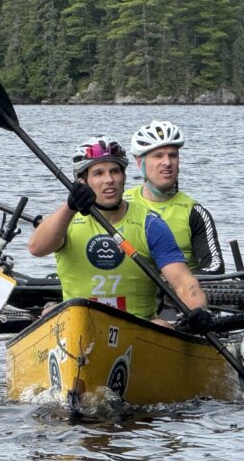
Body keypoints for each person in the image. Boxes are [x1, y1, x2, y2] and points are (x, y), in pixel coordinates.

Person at [28, 136, 212, 334]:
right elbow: (37, 248)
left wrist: (198, 310)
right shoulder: (66, 220)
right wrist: (69, 206)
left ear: (124, 177)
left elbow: (184, 283)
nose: (109, 180)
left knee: (162, 325)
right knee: (50, 313)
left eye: (115, 171)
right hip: (79, 327)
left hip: (137, 330)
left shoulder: (150, 224)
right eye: (98, 173)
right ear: (82, 182)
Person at [124, 120, 224, 275]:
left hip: (178, 288)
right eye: (158, 156)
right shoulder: (122, 203)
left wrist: (179, 280)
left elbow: (215, 267)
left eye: (173, 155)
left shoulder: (194, 212)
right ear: (139, 162)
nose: (167, 162)